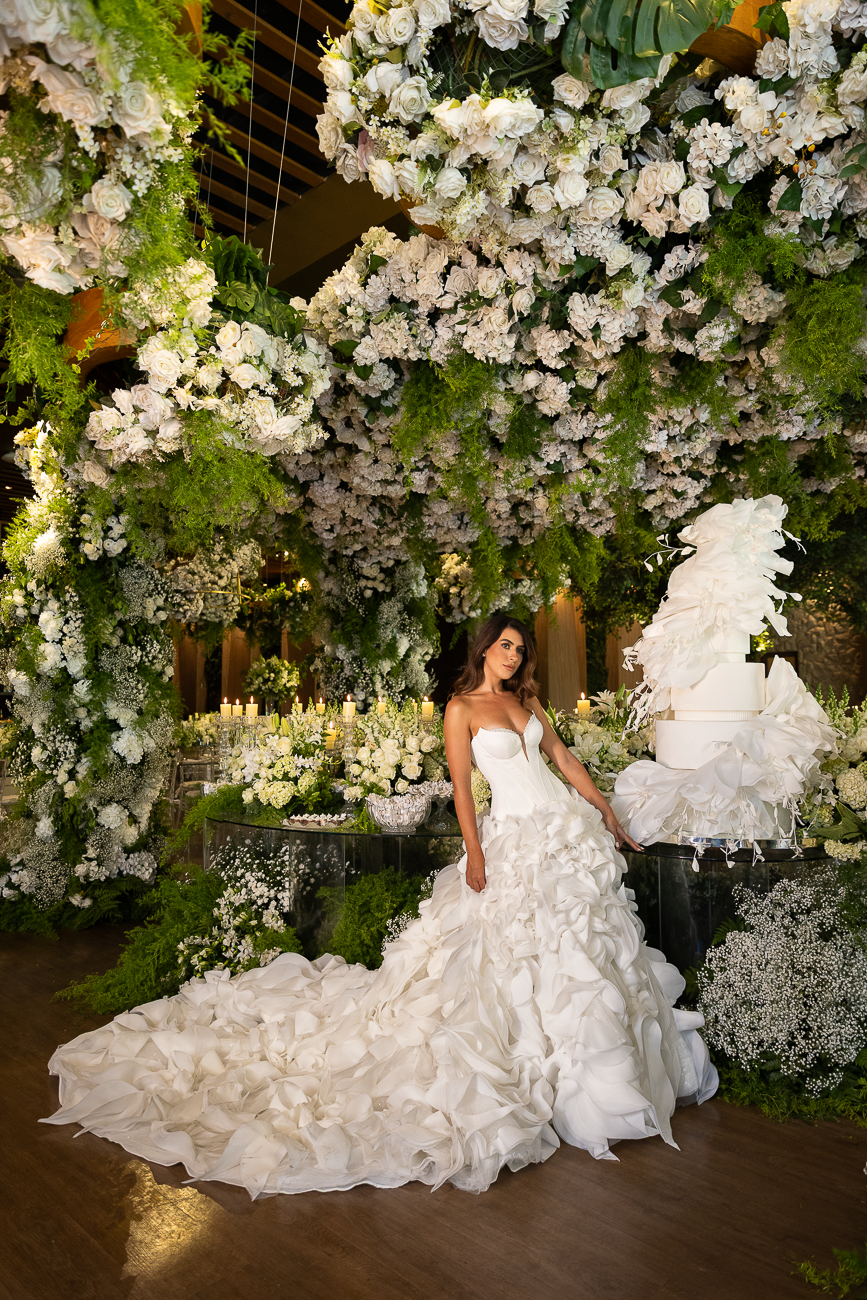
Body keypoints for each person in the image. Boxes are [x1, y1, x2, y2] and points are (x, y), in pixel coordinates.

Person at [43, 614, 717, 1197]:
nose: (513, 657)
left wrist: (604, 813)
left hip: (563, 834)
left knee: (582, 953)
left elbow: (566, 764)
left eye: (520, 649)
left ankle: (597, 1079)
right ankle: (544, 1072)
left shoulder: (528, 705)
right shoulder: (461, 710)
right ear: (482, 649)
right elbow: (460, 787)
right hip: (512, 839)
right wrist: (474, 855)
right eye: (504, 647)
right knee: (513, 954)